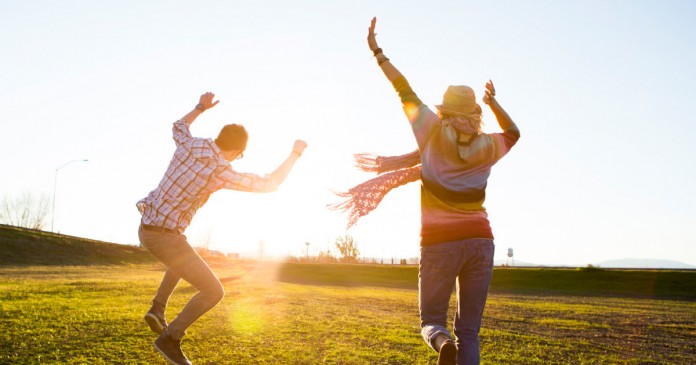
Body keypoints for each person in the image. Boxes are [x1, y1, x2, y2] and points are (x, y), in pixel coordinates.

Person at [332, 18, 520, 365]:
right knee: (470, 332)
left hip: (438, 242)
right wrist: (493, 103)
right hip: (481, 240)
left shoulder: (430, 131)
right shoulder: (488, 145)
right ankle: (451, 343)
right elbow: (513, 133)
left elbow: (402, 88)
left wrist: (378, 52)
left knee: (431, 320)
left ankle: (440, 341)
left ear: (442, 111)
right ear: (475, 114)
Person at [137, 91, 307, 365]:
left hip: (147, 227)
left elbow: (178, 126)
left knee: (181, 255)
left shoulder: (190, 145)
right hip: (163, 237)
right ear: (238, 151)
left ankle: (158, 307)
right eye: (238, 157)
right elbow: (268, 184)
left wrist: (201, 107)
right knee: (213, 291)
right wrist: (295, 154)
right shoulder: (219, 169)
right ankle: (170, 338)